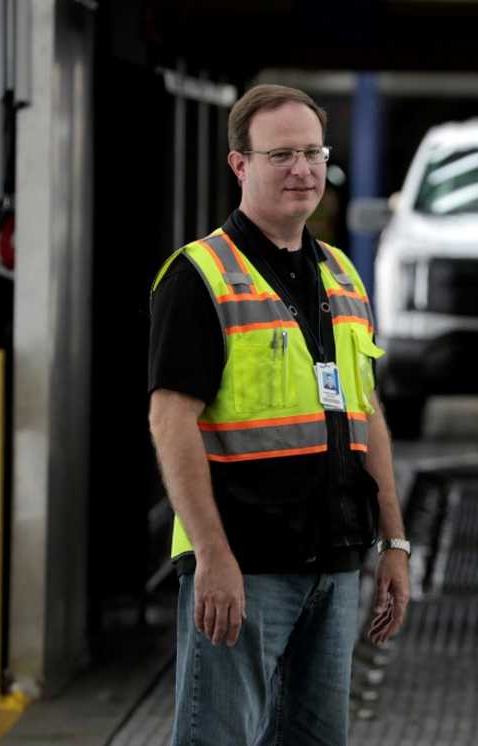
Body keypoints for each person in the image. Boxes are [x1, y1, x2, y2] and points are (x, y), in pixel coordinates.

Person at [148, 84, 410, 745]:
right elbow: (170, 420)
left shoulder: (344, 275)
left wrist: (395, 544)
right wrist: (212, 555)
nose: (302, 169)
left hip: (334, 563)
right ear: (241, 165)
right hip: (245, 563)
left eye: (313, 152)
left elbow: (365, 413)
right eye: (281, 154)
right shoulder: (201, 276)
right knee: (219, 738)